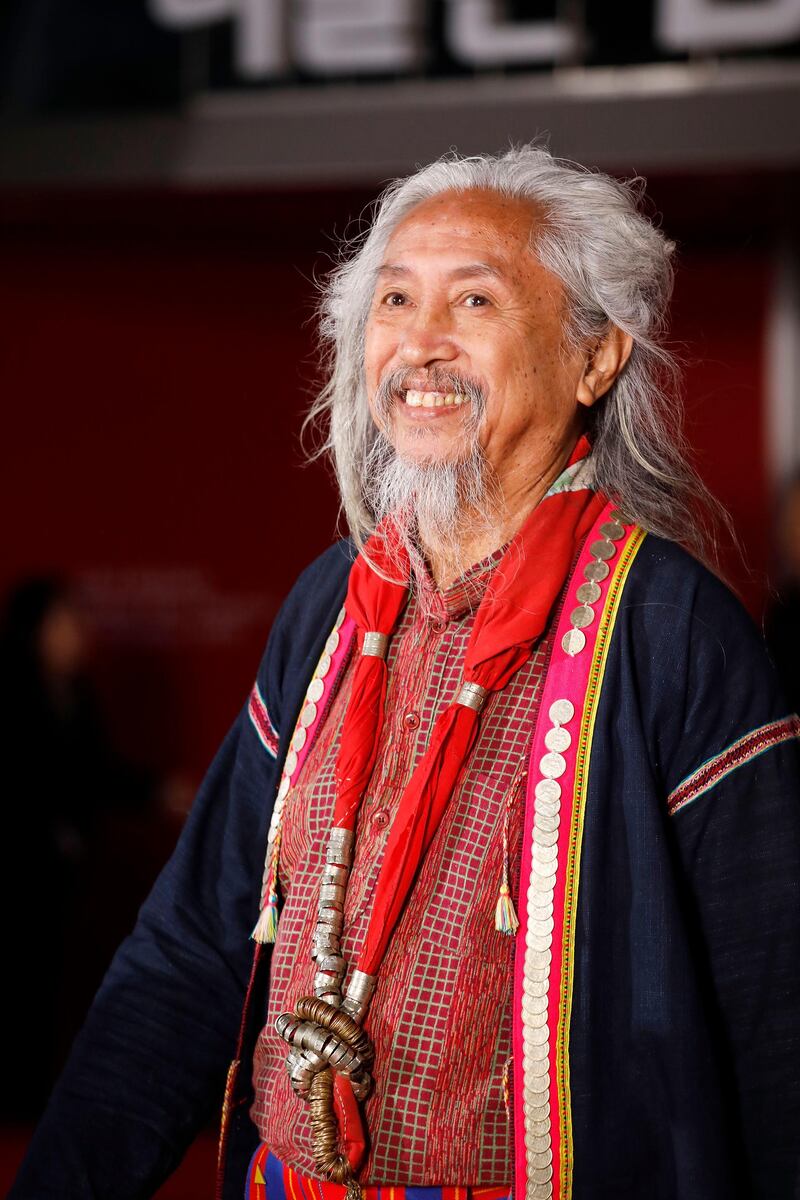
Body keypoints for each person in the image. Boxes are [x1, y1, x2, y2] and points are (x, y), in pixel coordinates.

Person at [11, 147, 800, 1200]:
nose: (418, 345)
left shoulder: (671, 633)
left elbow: (773, 1016)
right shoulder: (328, 608)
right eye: (392, 300)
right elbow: (194, 945)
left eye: (472, 299)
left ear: (593, 359)